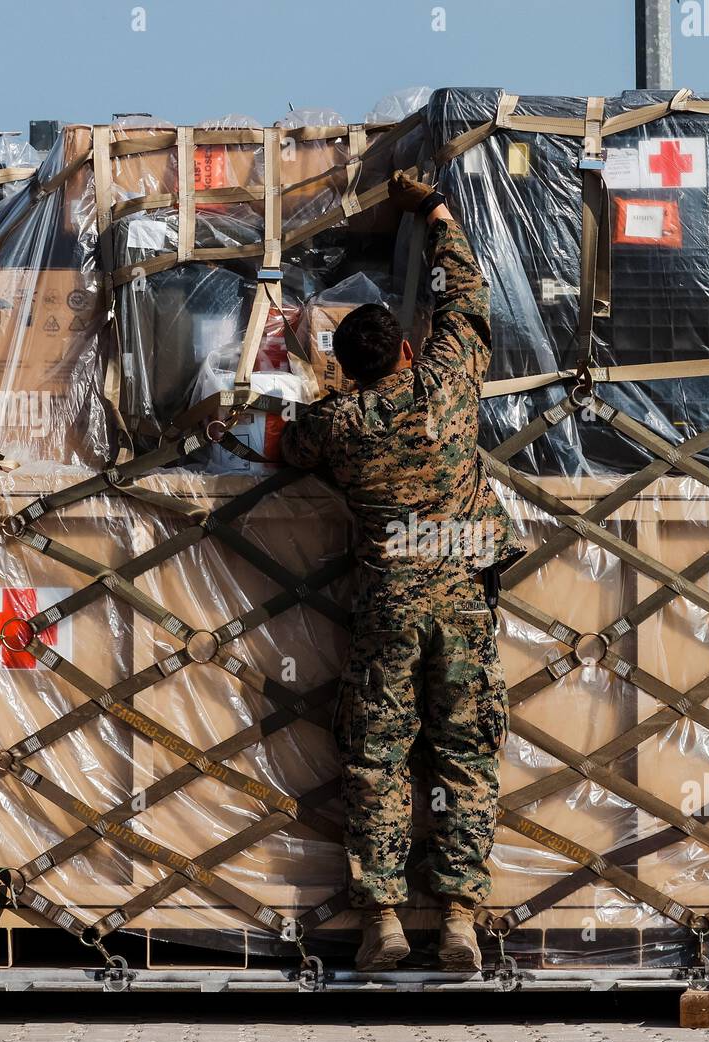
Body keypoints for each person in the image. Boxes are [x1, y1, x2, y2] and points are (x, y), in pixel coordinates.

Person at [281, 172, 523, 971]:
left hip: (389, 605)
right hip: (461, 599)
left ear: (345, 370)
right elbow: (468, 294)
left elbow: (281, 444)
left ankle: (381, 920)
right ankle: (457, 918)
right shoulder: (451, 382)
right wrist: (437, 213)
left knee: (378, 756)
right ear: (410, 350)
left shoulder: (339, 423)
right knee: (465, 754)